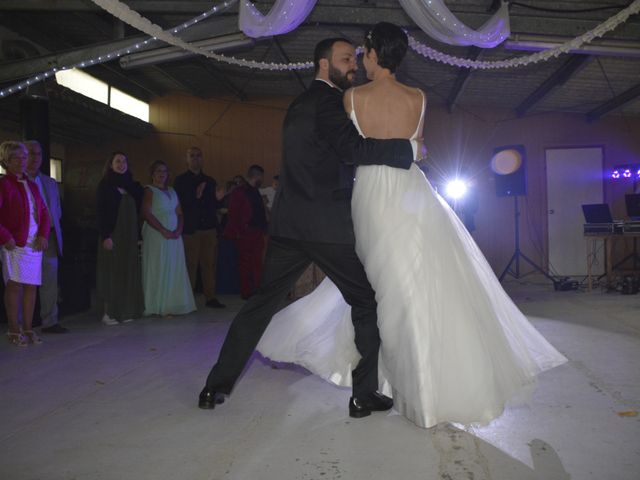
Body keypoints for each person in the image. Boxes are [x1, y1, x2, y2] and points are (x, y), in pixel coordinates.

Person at [257, 23, 567, 429]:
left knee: (381, 290)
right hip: (412, 193)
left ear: (373, 55)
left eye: (363, 53)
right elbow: (417, 151)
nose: (361, 60)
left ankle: (389, 382)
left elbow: (353, 150)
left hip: (370, 194)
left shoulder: (352, 98)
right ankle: (422, 388)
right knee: (419, 283)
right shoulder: (419, 98)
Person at [199, 36, 417, 416]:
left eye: (355, 57)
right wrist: (407, 150)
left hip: (287, 227)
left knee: (259, 305)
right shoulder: (329, 103)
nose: (354, 64)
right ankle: (363, 394)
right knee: (365, 300)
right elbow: (354, 151)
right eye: (346, 58)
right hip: (327, 229)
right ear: (323, 64)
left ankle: (214, 387)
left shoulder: (298, 103)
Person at [0, 141, 50, 346]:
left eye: (24, 157)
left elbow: (44, 213)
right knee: (14, 286)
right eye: (16, 158)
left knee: (32, 286)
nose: (22, 161)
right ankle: (14, 330)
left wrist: (43, 235)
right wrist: (5, 237)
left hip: (34, 244)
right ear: (6, 161)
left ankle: (28, 329)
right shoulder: (3, 184)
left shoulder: (32, 184)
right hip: (14, 243)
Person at [141, 161, 196, 316]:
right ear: (152, 173)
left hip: (174, 235)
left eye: (164, 171)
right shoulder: (149, 190)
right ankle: (156, 305)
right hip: (157, 233)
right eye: (158, 171)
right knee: (158, 266)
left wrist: (179, 229)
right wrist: (163, 230)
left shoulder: (172, 190)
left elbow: (179, 212)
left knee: (173, 266)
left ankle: (173, 303)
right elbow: (146, 213)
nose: (162, 174)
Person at [95, 151, 144, 325]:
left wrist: (138, 236)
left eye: (124, 161)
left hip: (129, 236)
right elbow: (100, 213)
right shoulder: (105, 185)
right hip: (113, 234)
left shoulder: (132, 186)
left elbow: (139, 212)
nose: (121, 164)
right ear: (111, 164)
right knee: (111, 272)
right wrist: (105, 236)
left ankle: (126, 310)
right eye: (117, 161)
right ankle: (109, 313)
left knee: (128, 271)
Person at [24, 140, 68, 334]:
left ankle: (50, 321)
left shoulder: (49, 182)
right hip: (25, 240)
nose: (35, 158)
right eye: (31, 153)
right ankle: (21, 324)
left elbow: (56, 211)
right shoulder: (16, 181)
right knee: (24, 280)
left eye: (39, 154)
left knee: (49, 280)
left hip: (48, 237)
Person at [174, 147, 226, 309]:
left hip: (209, 228)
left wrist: (219, 199)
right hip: (191, 229)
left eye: (198, 156)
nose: (196, 159)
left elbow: (214, 205)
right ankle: (187, 299)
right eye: (192, 156)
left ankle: (210, 298)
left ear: (202, 159)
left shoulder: (210, 181)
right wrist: (195, 195)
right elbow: (178, 205)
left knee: (209, 265)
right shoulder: (180, 181)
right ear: (186, 160)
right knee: (190, 264)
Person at [224, 164, 268, 299]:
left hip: (256, 232)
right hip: (246, 232)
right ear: (256, 176)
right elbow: (233, 214)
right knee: (246, 263)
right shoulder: (239, 191)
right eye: (261, 177)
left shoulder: (254, 191)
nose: (262, 179)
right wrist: (238, 232)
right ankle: (247, 291)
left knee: (256, 262)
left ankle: (256, 289)